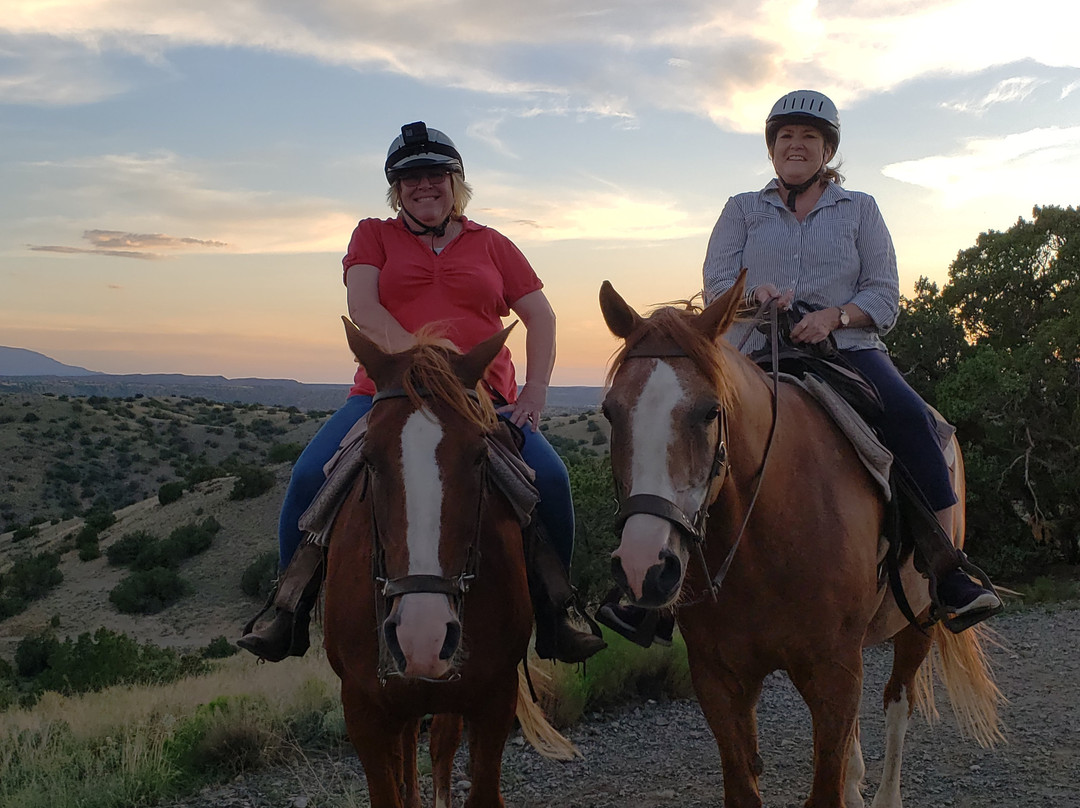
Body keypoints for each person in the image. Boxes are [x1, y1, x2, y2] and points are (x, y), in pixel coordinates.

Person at [599, 90, 1000, 647]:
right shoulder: (742, 209)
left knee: (909, 417)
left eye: (808, 136)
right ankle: (659, 594)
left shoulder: (861, 209)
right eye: (785, 136)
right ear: (771, 149)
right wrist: (750, 298)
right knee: (693, 437)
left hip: (847, 351)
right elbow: (717, 284)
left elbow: (884, 296)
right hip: (754, 353)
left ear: (827, 149)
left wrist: (835, 317)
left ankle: (946, 567)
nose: (796, 144)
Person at [238, 121, 605, 664]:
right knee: (309, 475)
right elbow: (363, 307)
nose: (424, 186)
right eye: (410, 178)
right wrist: (423, 363)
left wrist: (536, 392)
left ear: (457, 182)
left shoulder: (493, 244)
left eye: (436, 174)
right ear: (396, 189)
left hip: (482, 401)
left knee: (551, 478)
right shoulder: (373, 235)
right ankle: (286, 608)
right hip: (383, 393)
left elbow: (541, 317)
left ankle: (557, 610)